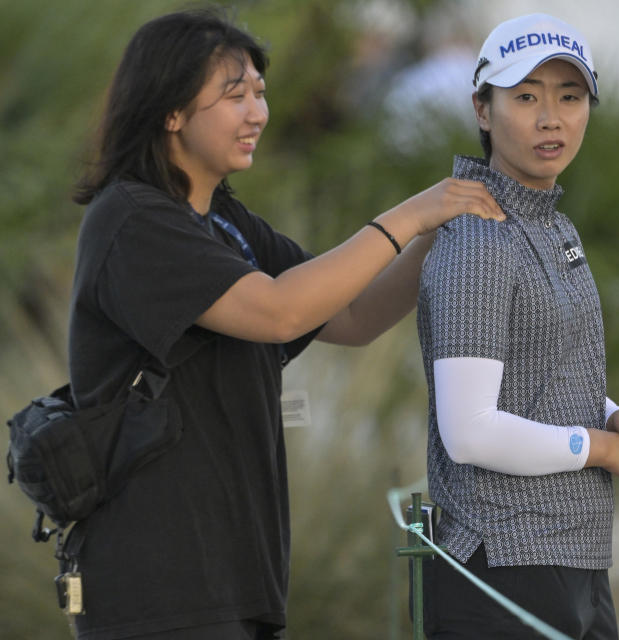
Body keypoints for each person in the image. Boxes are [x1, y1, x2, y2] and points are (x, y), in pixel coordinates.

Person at [63, 8, 504, 640]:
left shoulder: (225, 222)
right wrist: (410, 214)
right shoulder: (132, 221)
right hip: (157, 588)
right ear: (171, 111)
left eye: (261, 94)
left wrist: (440, 233)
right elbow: (280, 311)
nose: (257, 114)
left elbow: (350, 314)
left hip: (237, 580)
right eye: (234, 95)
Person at [417, 13, 619, 639]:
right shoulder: (480, 238)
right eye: (525, 97)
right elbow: (470, 432)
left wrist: (618, 416)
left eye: (569, 97)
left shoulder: (547, 220)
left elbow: (534, 382)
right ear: (482, 111)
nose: (552, 118)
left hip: (569, 561)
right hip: (503, 568)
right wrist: (606, 448)